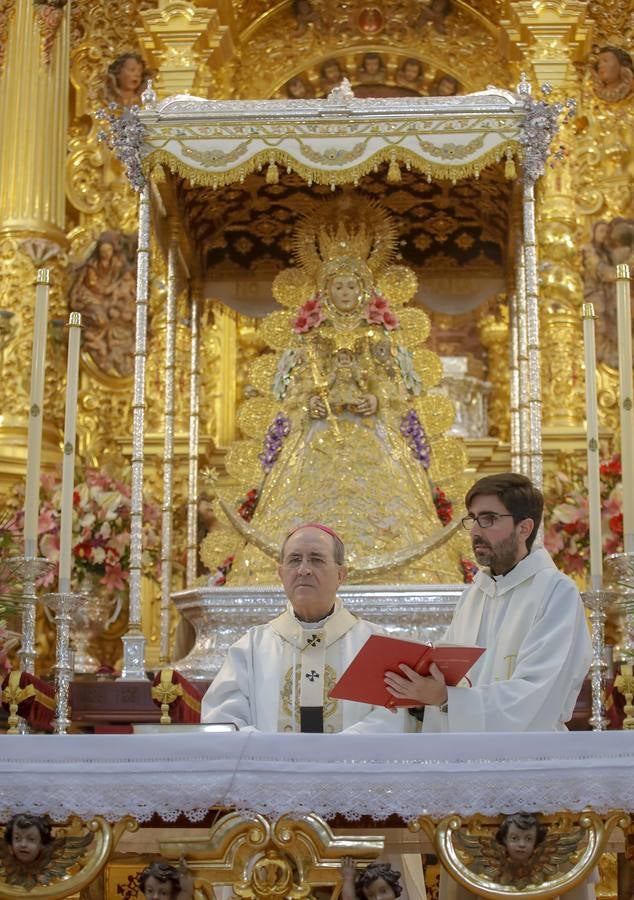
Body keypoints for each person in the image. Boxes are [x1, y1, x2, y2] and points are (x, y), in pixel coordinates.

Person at [384, 472, 592, 732]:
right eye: (473, 519)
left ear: (524, 528)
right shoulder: (474, 595)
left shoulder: (556, 592)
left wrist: (446, 699)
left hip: (527, 760)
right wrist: (417, 698)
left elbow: (539, 695)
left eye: (489, 519)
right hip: (466, 760)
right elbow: (447, 676)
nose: (475, 531)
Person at [202, 523, 409, 733]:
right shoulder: (251, 648)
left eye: (316, 560)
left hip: (349, 765)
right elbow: (222, 720)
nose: (304, 570)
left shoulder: (373, 644)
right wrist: (272, 753)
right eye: (294, 560)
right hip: (272, 764)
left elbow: (392, 719)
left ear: (341, 575)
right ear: (281, 574)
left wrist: (335, 755)